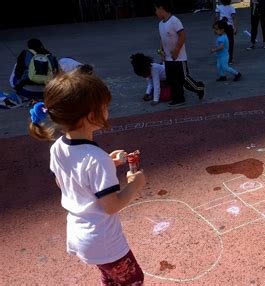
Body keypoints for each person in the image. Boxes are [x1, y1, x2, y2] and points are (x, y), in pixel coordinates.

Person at [28, 69, 146, 284]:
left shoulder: (58, 147)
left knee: (110, 278)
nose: (107, 111)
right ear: (92, 116)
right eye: (105, 107)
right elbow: (111, 205)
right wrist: (135, 184)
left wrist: (109, 165)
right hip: (105, 239)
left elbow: (65, 181)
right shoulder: (96, 158)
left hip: (80, 233)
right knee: (133, 280)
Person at [155, 0, 205, 107]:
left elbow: (182, 36)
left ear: (161, 8)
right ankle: (179, 98)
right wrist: (160, 51)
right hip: (168, 58)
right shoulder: (160, 24)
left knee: (183, 78)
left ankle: (199, 88)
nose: (155, 12)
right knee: (172, 79)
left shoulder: (174, 20)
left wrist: (177, 50)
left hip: (179, 57)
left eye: (156, 9)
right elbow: (162, 39)